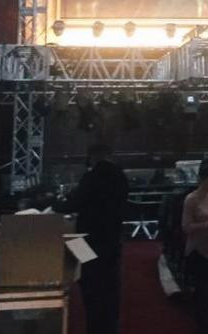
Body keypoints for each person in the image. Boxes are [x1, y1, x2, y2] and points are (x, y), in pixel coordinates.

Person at [66, 143, 130, 334]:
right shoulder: (120, 177)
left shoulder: (91, 177)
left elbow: (74, 204)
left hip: (89, 240)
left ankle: (95, 328)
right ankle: (111, 327)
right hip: (112, 239)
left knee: (92, 289)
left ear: (93, 156)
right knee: (111, 288)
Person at [181, 160, 208, 333]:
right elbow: (186, 227)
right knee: (202, 289)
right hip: (199, 249)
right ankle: (202, 324)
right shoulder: (191, 199)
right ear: (200, 179)